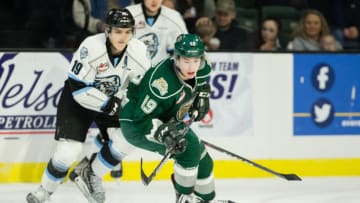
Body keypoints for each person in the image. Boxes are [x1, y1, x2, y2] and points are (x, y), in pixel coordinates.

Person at [26, 8, 150, 203]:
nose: (123, 36)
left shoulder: (139, 51)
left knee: (126, 139)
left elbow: (140, 87)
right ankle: (44, 191)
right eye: (118, 31)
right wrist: (110, 104)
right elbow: (79, 87)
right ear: (108, 30)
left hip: (113, 100)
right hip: (79, 101)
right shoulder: (91, 47)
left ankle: (90, 173)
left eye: (127, 31)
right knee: (67, 153)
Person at [118, 33, 224, 202]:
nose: (192, 67)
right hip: (136, 123)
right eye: (187, 61)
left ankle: (207, 200)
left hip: (166, 119)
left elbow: (201, 80)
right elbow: (141, 119)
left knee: (204, 162)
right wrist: (164, 133)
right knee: (189, 151)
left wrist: (202, 92)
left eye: (196, 60)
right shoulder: (160, 84)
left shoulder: (202, 67)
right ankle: (185, 198)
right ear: (176, 58)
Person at [126, 0, 188, 65]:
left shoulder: (174, 17)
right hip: (132, 68)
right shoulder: (129, 13)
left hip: (161, 70)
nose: (154, 1)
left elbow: (186, 47)